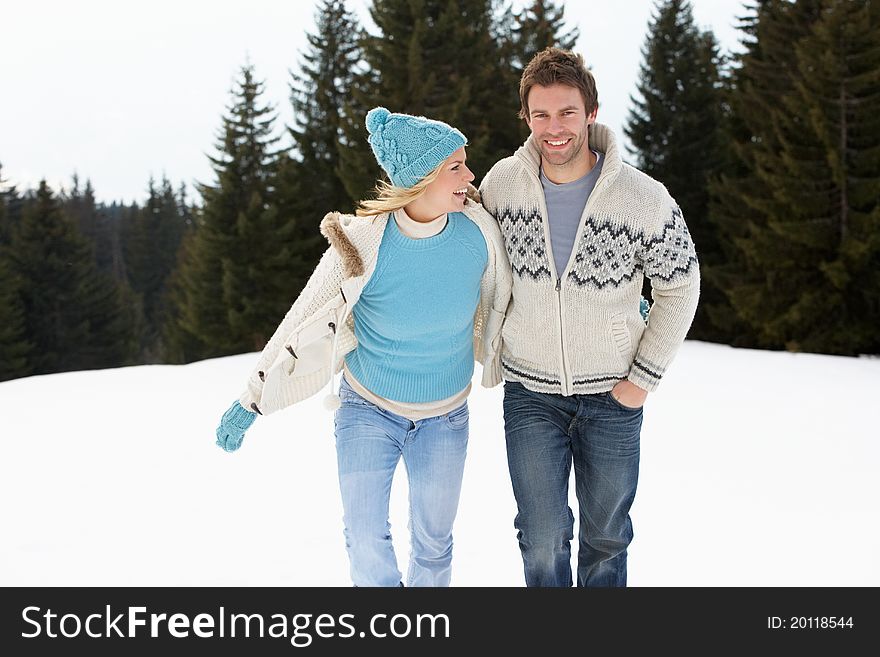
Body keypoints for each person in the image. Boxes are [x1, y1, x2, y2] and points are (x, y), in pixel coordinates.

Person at [215, 107, 511, 587]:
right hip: (368, 409)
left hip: (446, 415)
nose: (470, 175)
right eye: (455, 166)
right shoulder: (362, 244)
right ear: (421, 178)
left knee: (435, 545)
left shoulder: (480, 234)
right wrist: (251, 400)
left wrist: (617, 311)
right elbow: (302, 316)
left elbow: (521, 296)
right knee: (366, 537)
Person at [478, 47, 700, 587]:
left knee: (606, 538)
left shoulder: (643, 197)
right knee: (541, 535)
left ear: (591, 113)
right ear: (526, 118)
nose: (554, 128)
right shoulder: (502, 185)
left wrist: (640, 382)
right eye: (541, 115)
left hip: (613, 399)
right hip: (531, 395)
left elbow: (681, 286)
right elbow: (463, 249)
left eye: (566, 113)